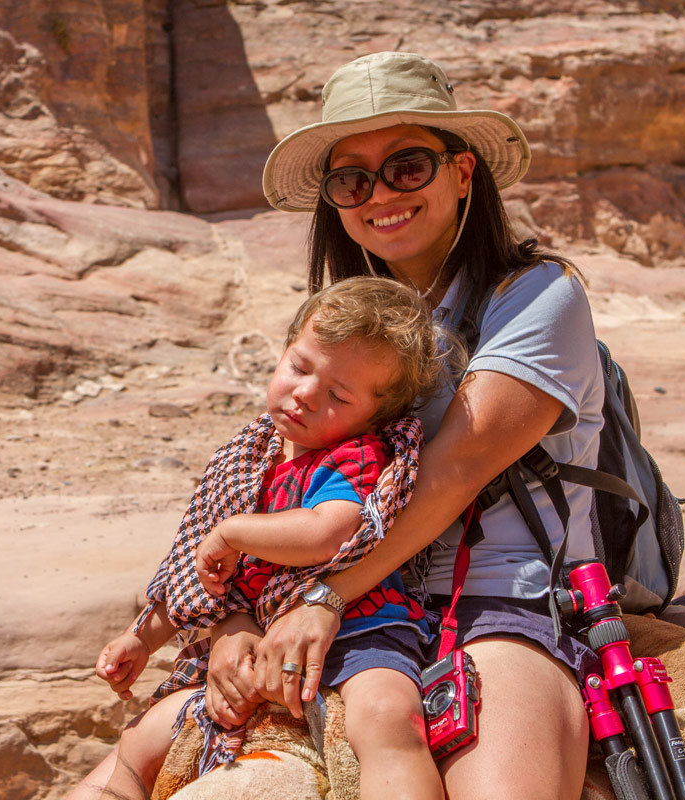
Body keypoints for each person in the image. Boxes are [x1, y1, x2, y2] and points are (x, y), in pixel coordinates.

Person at [203, 51, 603, 800]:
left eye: (408, 166)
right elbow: (269, 483)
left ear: (462, 174)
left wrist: (326, 598)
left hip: (497, 600)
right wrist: (232, 624)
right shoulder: (348, 327)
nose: (379, 193)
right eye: (352, 178)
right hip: (353, 604)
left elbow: (455, 469)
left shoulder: (537, 295)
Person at [71, 276, 453, 800]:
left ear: (376, 416)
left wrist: (233, 533)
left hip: (358, 629)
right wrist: (142, 638)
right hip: (253, 630)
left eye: (338, 395)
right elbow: (196, 572)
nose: (304, 395)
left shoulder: (355, 456)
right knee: (142, 735)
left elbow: (327, 532)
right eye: (298, 367)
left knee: (388, 720)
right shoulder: (248, 457)